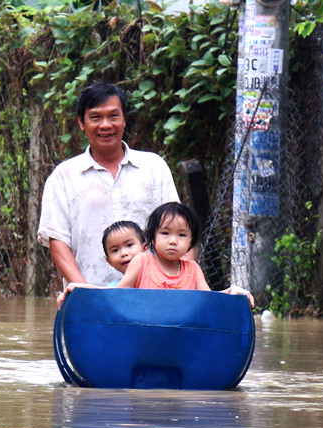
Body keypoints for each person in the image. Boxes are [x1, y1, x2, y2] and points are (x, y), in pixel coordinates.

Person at [38, 80, 180, 288]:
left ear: (124, 120)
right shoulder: (63, 177)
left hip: (153, 298)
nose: (105, 125)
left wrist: (177, 286)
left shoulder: (154, 168)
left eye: (113, 116)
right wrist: (88, 295)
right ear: (81, 122)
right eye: (95, 117)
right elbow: (58, 243)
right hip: (90, 297)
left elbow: (178, 230)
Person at [117, 203, 254, 306]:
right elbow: (116, 296)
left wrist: (231, 292)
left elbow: (210, 301)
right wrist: (95, 291)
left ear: (191, 242)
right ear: (152, 238)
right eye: (165, 233)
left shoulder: (193, 269)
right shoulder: (142, 262)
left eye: (182, 235)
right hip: (142, 334)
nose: (173, 241)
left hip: (181, 337)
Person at [55, 220, 146, 307]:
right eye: (115, 250)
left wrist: (83, 288)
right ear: (109, 262)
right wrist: (77, 293)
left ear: (145, 248)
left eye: (129, 245)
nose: (123, 253)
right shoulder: (113, 288)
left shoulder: (158, 275)